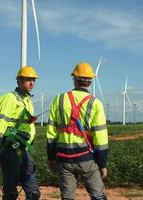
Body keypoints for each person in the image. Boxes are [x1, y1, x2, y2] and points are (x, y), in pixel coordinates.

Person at [46, 62, 109, 200]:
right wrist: (102, 164)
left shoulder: (59, 99)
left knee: (67, 197)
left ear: (74, 79)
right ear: (90, 81)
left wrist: (51, 158)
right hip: (86, 159)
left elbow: (51, 133)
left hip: (63, 159)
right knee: (98, 196)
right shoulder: (95, 103)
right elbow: (101, 137)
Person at [0, 66, 40, 200]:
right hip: (10, 150)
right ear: (19, 81)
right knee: (10, 193)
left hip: (24, 150)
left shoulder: (27, 100)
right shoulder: (9, 98)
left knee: (33, 193)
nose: (32, 83)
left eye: (33, 80)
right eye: (28, 80)